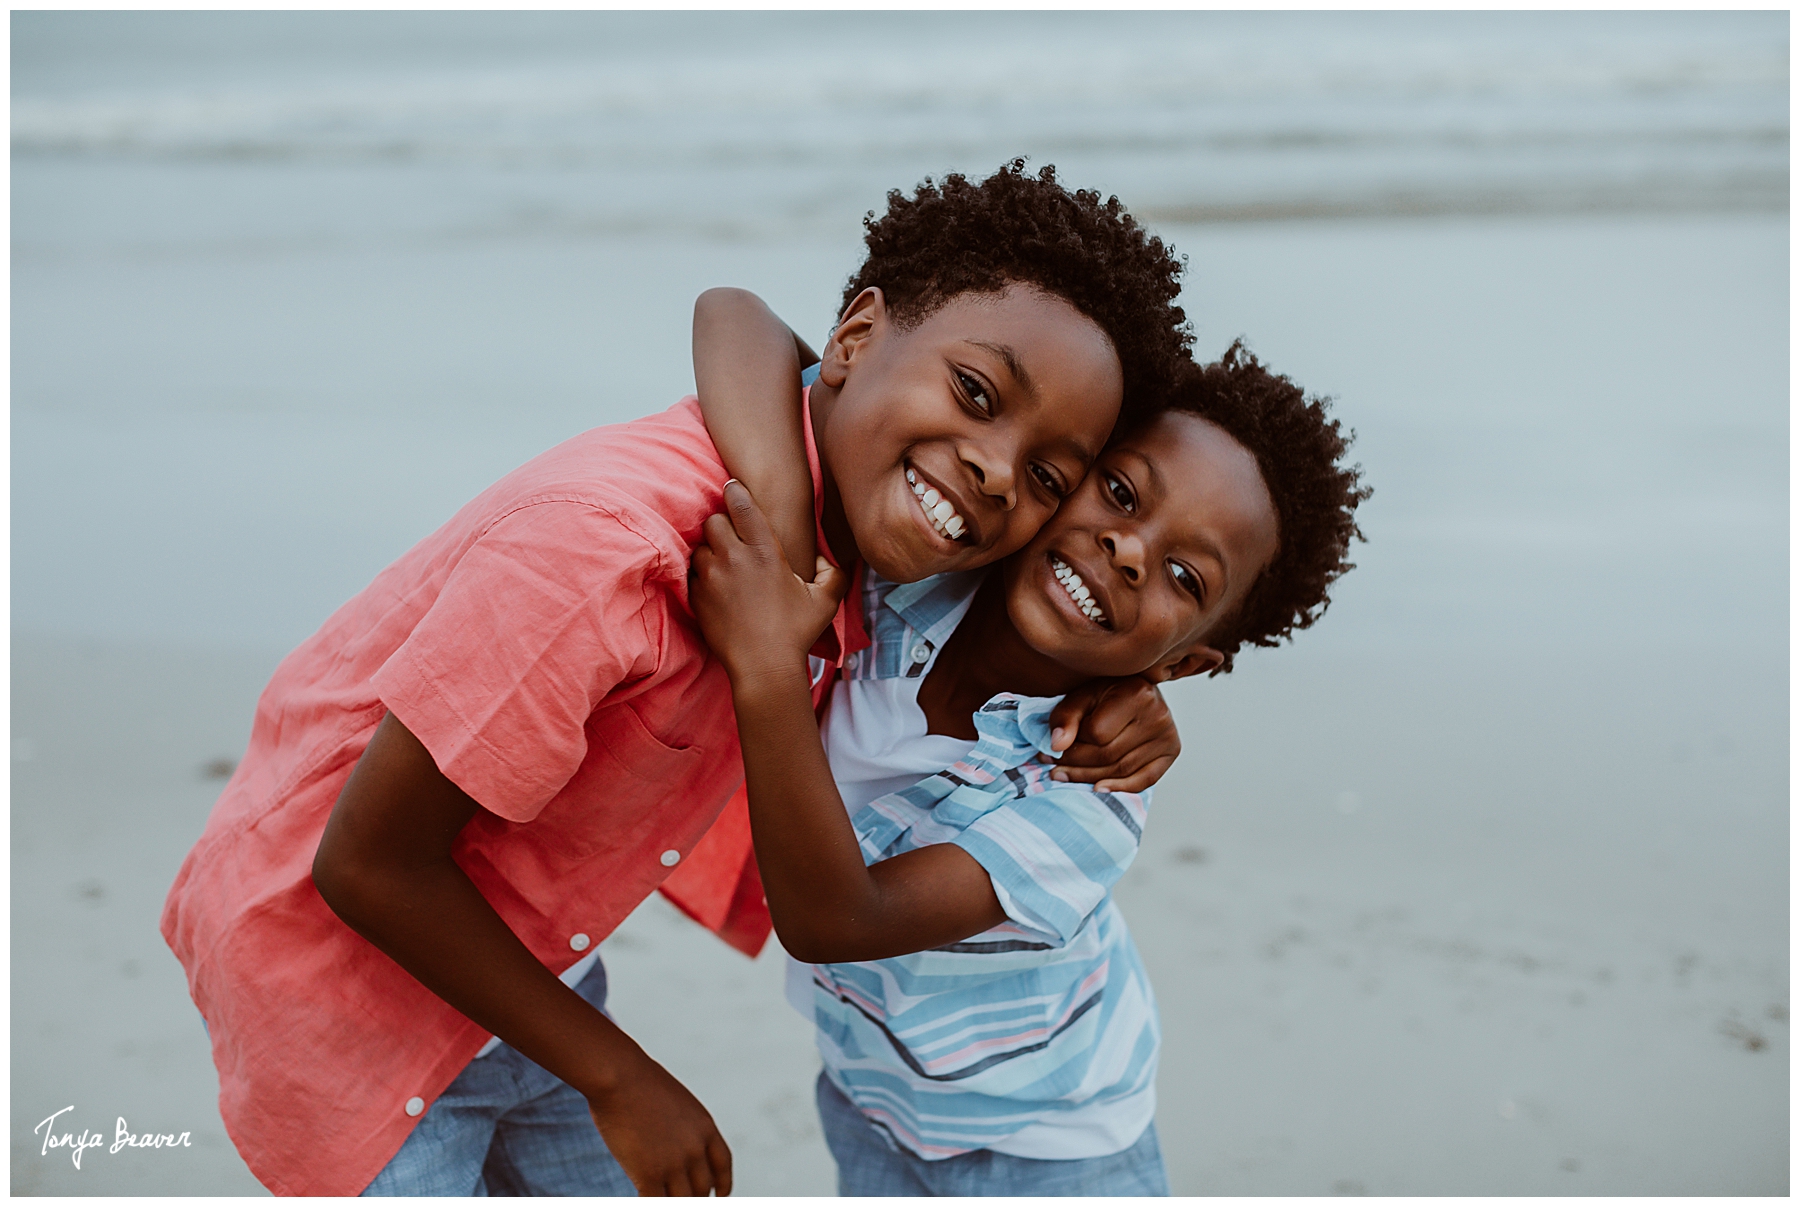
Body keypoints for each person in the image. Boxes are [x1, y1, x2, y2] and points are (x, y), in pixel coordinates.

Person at [158, 160, 1196, 1197]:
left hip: (521, 949)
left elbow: (753, 331)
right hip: (342, 966)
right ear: (855, 338)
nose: (997, 469)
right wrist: (622, 1077)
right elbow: (369, 866)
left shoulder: (869, 550)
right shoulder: (602, 553)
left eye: (1047, 476)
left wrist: (1130, 691)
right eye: (976, 392)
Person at [690, 319, 1370, 1194]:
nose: (1129, 550)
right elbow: (735, 321)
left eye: (1187, 578)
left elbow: (837, 921)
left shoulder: (1091, 797)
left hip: (1052, 1143)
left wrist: (767, 663)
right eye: (1121, 493)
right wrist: (783, 533)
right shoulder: (911, 578)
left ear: (1187, 660)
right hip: (869, 1093)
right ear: (1064, 470)